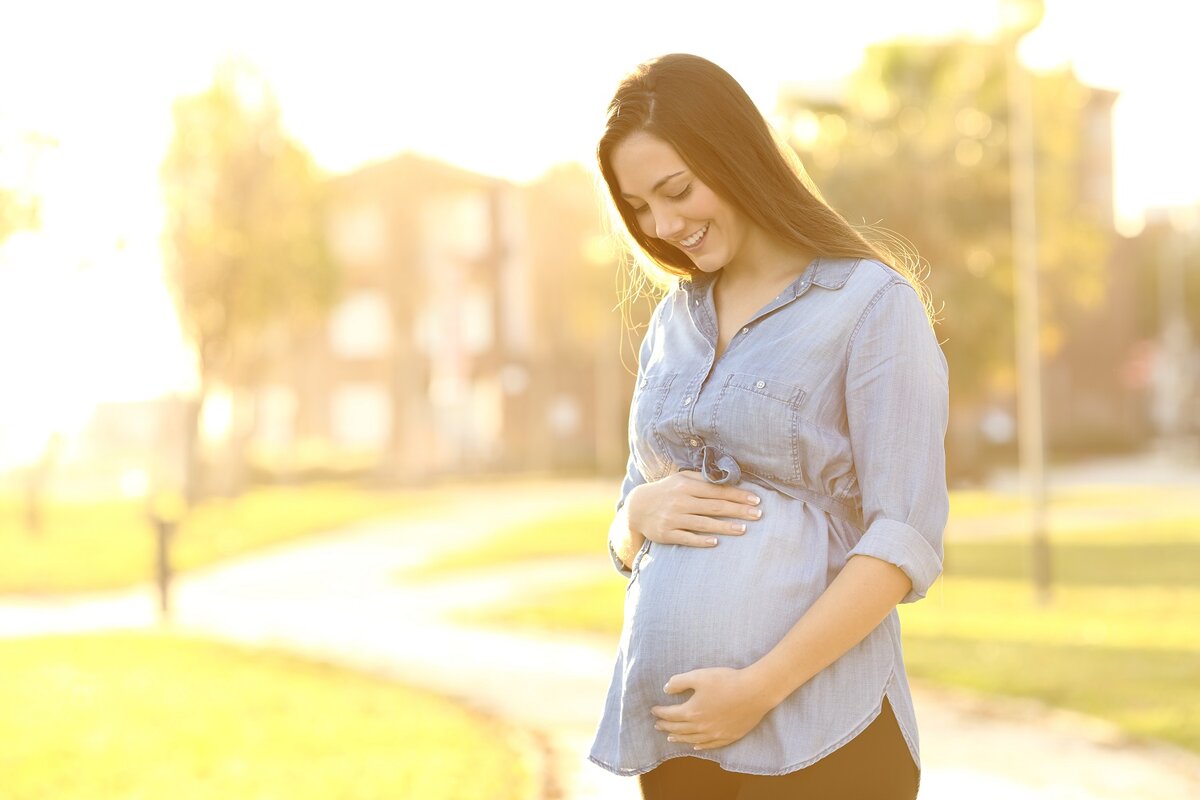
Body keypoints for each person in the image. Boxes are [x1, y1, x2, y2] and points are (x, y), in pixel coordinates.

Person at [587, 53, 949, 800]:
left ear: (737, 156)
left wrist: (758, 687)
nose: (663, 224)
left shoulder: (870, 305)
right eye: (640, 208)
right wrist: (633, 517)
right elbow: (632, 515)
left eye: (677, 191)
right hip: (679, 739)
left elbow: (901, 539)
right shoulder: (673, 321)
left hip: (823, 734)